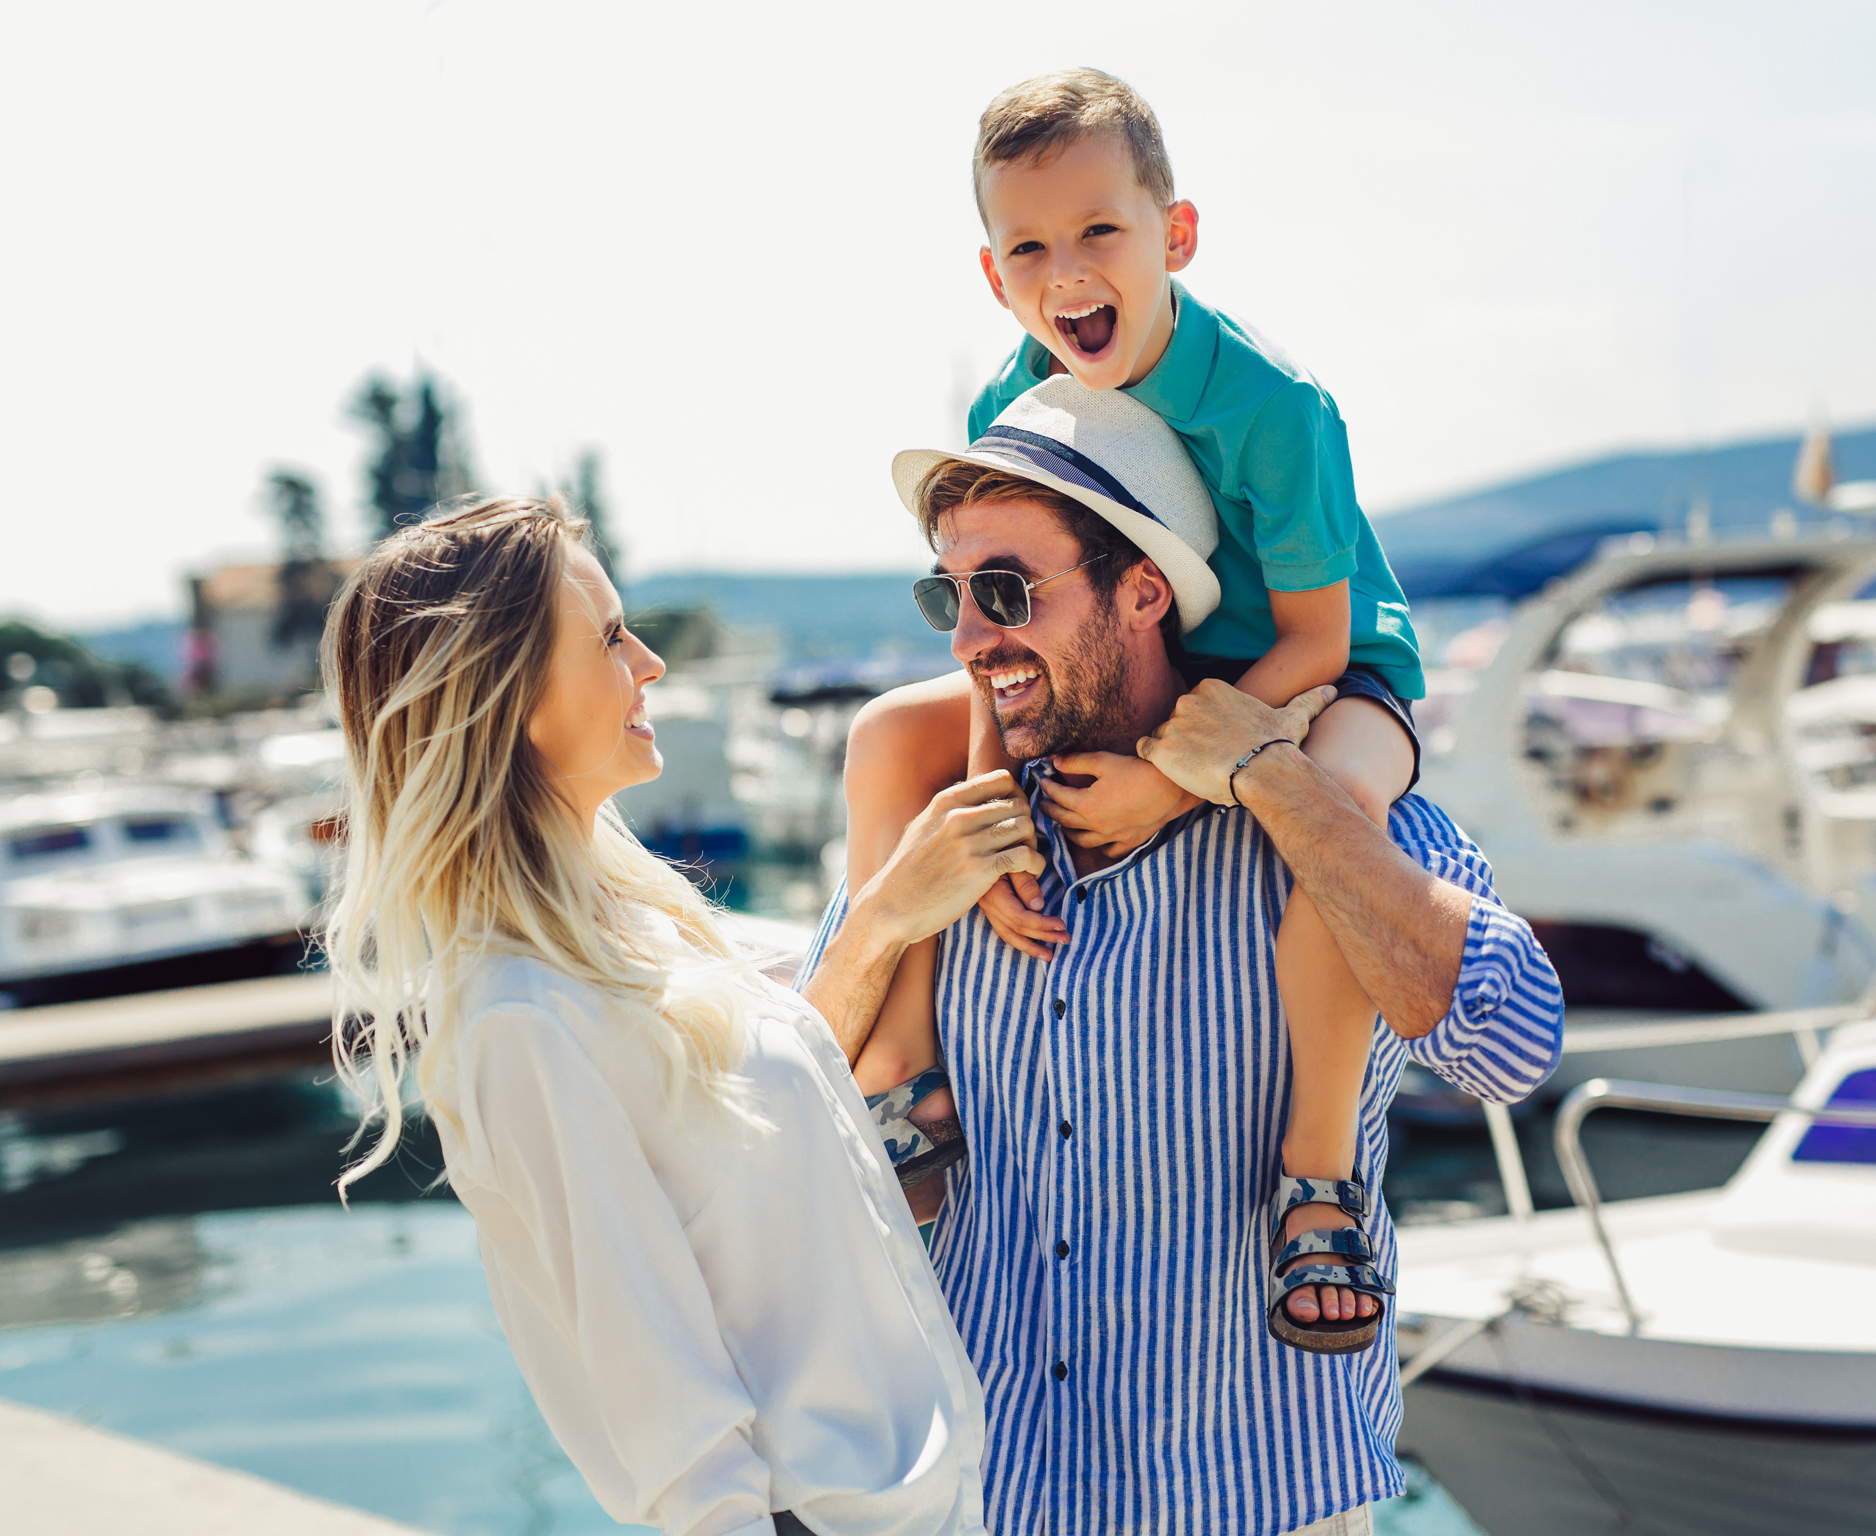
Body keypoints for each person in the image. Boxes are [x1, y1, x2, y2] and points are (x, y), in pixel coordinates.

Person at [799, 409, 1563, 1534]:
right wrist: (882, 921)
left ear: (1145, 590)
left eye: (1005, 592)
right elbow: (791, 1106)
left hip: (1250, 1503)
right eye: (946, 597)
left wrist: (1276, 784)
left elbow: (1509, 1050)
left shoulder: (1329, 817)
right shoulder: (948, 838)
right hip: (985, 1498)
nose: (967, 639)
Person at [319, 497, 1047, 1536]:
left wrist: (888, 914)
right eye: (611, 637)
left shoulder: (635, 933)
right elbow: (671, 1424)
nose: (649, 663)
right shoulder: (519, 1018)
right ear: (511, 697)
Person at [845, 68, 1423, 1350]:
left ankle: (1319, 1172)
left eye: (1101, 230)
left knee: (1328, 811)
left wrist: (1181, 776)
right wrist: (990, 818)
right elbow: (1006, 638)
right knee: (892, 735)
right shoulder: (1015, 404)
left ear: (1177, 236)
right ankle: (903, 1079)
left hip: (1323, 669)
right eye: (1030, 245)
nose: (1068, 271)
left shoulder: (1275, 407)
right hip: (1136, 661)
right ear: (994, 275)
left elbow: (1318, 633)